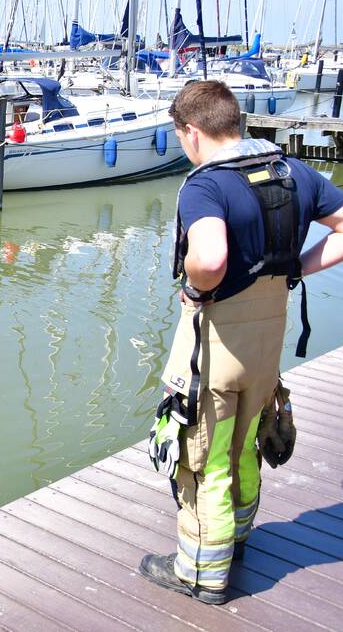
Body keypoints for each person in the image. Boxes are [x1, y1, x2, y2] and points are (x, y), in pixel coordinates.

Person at [138, 80, 343, 604]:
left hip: (217, 349)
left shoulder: (204, 185)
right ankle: (239, 536)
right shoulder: (293, 173)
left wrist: (193, 286)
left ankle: (201, 574)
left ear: (190, 132)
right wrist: (297, 266)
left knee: (203, 458)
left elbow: (208, 258)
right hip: (266, 347)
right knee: (245, 443)